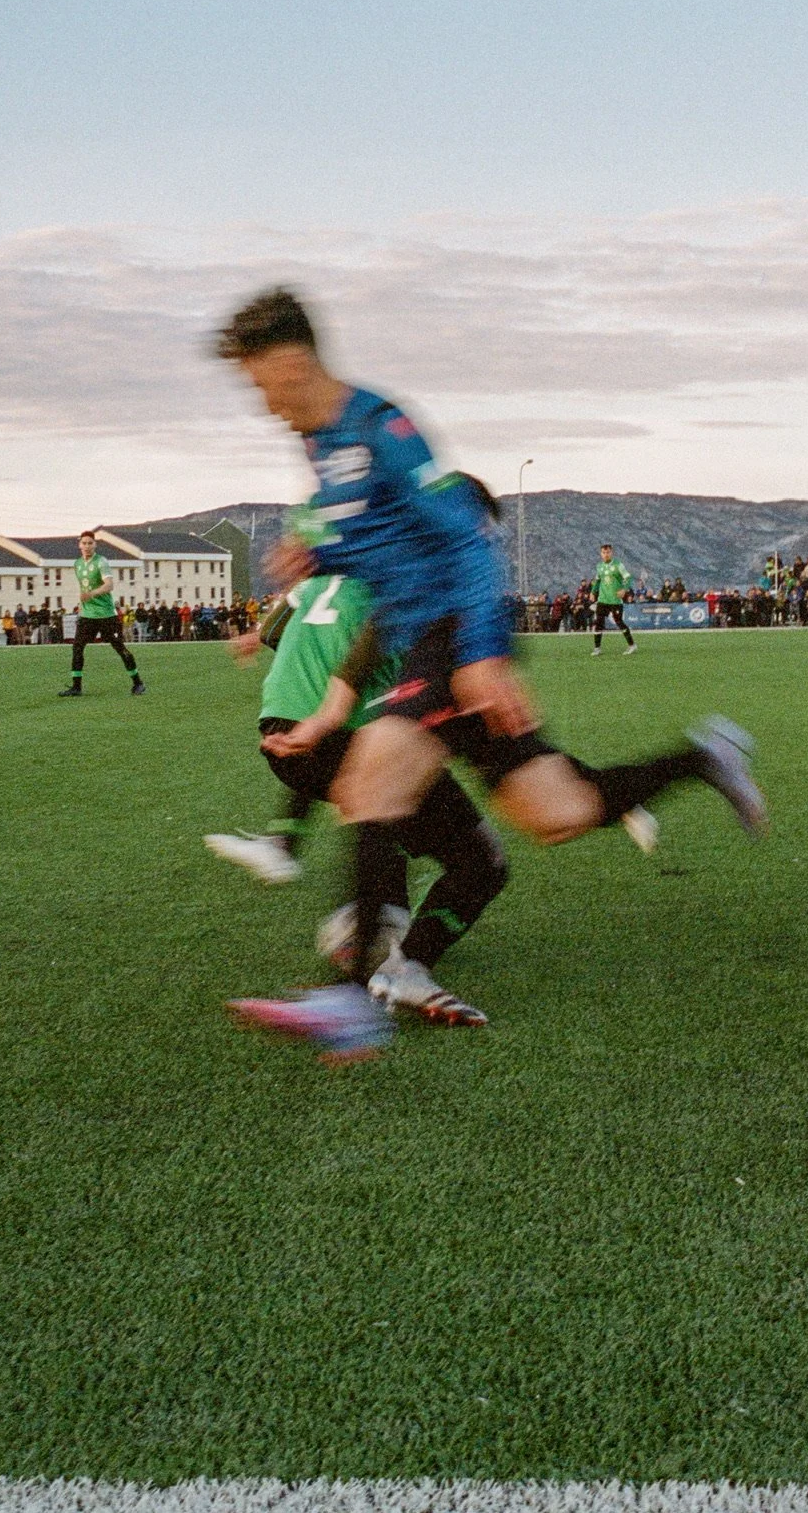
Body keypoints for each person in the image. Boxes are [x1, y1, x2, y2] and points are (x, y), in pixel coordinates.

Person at [217, 288, 764, 1060]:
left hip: (451, 633)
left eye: (260, 382)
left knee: (371, 785)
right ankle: (702, 756)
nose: (263, 404)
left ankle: (349, 1004)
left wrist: (480, 653)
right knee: (559, 811)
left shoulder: (381, 427)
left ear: (292, 360)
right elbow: (377, 541)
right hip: (423, 639)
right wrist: (320, 554)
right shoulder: (319, 445)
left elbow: (469, 545)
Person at [209, 572, 507, 1027]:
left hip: (281, 733)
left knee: (384, 823)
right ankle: (397, 967)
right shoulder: (420, 583)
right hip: (347, 734)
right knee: (483, 860)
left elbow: (271, 632)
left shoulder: (320, 578)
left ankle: (361, 936)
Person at [59, 531, 145, 697]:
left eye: (90, 543)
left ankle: (138, 683)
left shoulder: (101, 562)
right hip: (87, 615)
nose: (86, 546)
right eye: (84, 543)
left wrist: (91, 594)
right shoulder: (77, 564)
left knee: (119, 647)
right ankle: (76, 687)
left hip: (106, 614)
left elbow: (109, 585)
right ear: (79, 545)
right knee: (77, 648)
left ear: (95, 545)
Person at [591, 544, 636, 656]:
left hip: (615, 600)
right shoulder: (599, 566)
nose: (606, 555)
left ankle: (632, 645)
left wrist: (624, 590)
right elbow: (597, 581)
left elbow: (628, 577)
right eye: (603, 553)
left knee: (619, 622)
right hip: (603, 599)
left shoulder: (618, 565)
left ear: (611, 553)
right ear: (601, 554)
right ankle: (597, 648)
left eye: (608, 552)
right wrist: (592, 592)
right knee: (598, 623)